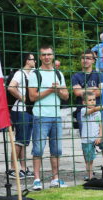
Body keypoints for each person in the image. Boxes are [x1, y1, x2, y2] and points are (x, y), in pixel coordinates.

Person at [28, 45, 69, 190]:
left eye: (49, 54)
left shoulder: (58, 74)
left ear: (53, 56)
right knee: (38, 149)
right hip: (40, 116)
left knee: (56, 150)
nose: (47, 57)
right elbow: (32, 97)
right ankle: (37, 180)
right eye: (44, 55)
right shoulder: (35, 74)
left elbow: (66, 95)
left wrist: (58, 90)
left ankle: (55, 179)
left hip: (56, 116)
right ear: (40, 57)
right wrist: (51, 90)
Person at [72, 49, 103, 174]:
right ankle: (89, 172)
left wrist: (86, 90)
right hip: (84, 113)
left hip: (99, 111)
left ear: (93, 60)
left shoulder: (99, 74)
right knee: (87, 142)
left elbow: (102, 92)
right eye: (83, 58)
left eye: (88, 58)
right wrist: (94, 89)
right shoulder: (76, 76)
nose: (85, 60)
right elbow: (77, 93)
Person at [7, 53, 36, 179]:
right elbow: (11, 87)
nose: (34, 60)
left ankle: (23, 168)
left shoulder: (34, 72)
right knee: (19, 140)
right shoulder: (20, 73)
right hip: (20, 110)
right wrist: (23, 98)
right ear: (26, 60)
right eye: (32, 59)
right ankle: (12, 169)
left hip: (29, 110)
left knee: (24, 141)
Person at [80, 91, 103, 180]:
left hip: (97, 138)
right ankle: (90, 176)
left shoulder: (98, 113)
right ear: (84, 103)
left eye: (94, 100)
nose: (93, 102)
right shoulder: (83, 110)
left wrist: (100, 136)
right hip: (87, 140)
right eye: (90, 100)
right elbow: (93, 110)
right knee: (90, 160)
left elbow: (100, 125)